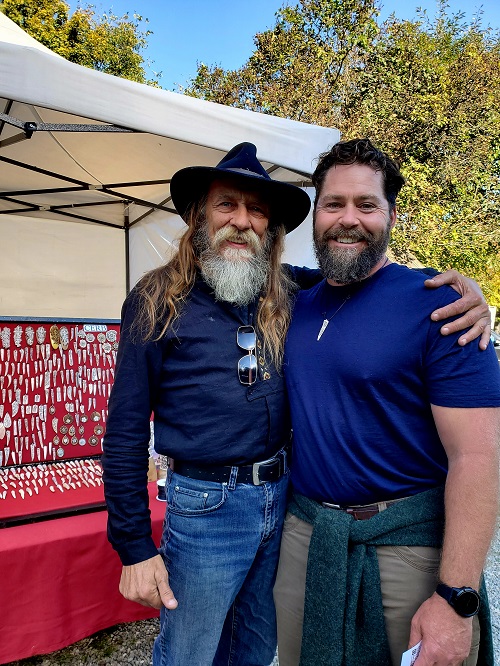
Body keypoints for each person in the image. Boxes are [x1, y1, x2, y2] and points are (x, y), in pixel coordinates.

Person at [102, 142, 491, 666]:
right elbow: (124, 430)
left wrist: (470, 292)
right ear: (199, 215)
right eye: (227, 205)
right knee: (189, 653)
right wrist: (133, 545)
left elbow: (359, 277)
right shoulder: (156, 298)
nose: (242, 221)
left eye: (257, 210)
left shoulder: (285, 291)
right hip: (207, 508)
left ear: (273, 230)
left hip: (282, 503)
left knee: (256, 648)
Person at [274, 138, 500, 666]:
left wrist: (455, 599)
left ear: (391, 215)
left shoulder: (441, 305)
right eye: (334, 204)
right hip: (306, 542)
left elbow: (480, 458)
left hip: (408, 551)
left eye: (366, 205)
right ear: (315, 215)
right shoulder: (294, 302)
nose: (348, 219)